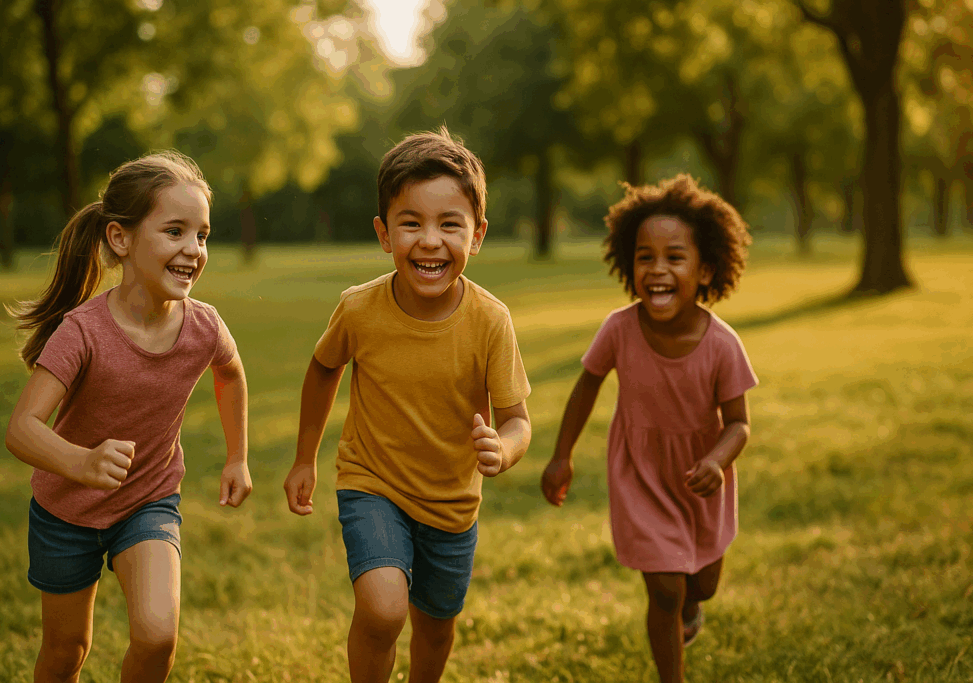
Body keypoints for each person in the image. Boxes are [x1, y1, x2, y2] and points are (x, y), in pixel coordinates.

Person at [283, 127, 532, 683]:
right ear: (383, 232)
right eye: (411, 223)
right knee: (382, 608)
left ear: (478, 234)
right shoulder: (359, 309)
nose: (429, 241)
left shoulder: (491, 321)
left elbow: (516, 419)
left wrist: (505, 448)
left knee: (436, 624)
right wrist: (305, 458)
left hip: (451, 502)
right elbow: (324, 367)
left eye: (450, 224)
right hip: (371, 481)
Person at [4, 151, 252, 683]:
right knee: (67, 650)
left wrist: (238, 457)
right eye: (174, 231)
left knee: (158, 634)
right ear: (121, 239)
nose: (193, 249)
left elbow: (230, 373)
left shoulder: (203, 326)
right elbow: (21, 428)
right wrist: (82, 461)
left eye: (202, 235)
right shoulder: (83, 331)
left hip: (148, 501)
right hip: (64, 513)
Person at [540, 174, 757, 683]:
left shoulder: (722, 344)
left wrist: (717, 460)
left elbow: (740, 425)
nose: (657, 269)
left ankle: (690, 608)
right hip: (639, 473)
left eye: (674, 257)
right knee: (664, 587)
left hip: (701, 477)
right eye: (645, 257)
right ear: (628, 264)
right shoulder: (619, 328)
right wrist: (561, 455)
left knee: (700, 584)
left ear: (705, 270)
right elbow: (586, 387)